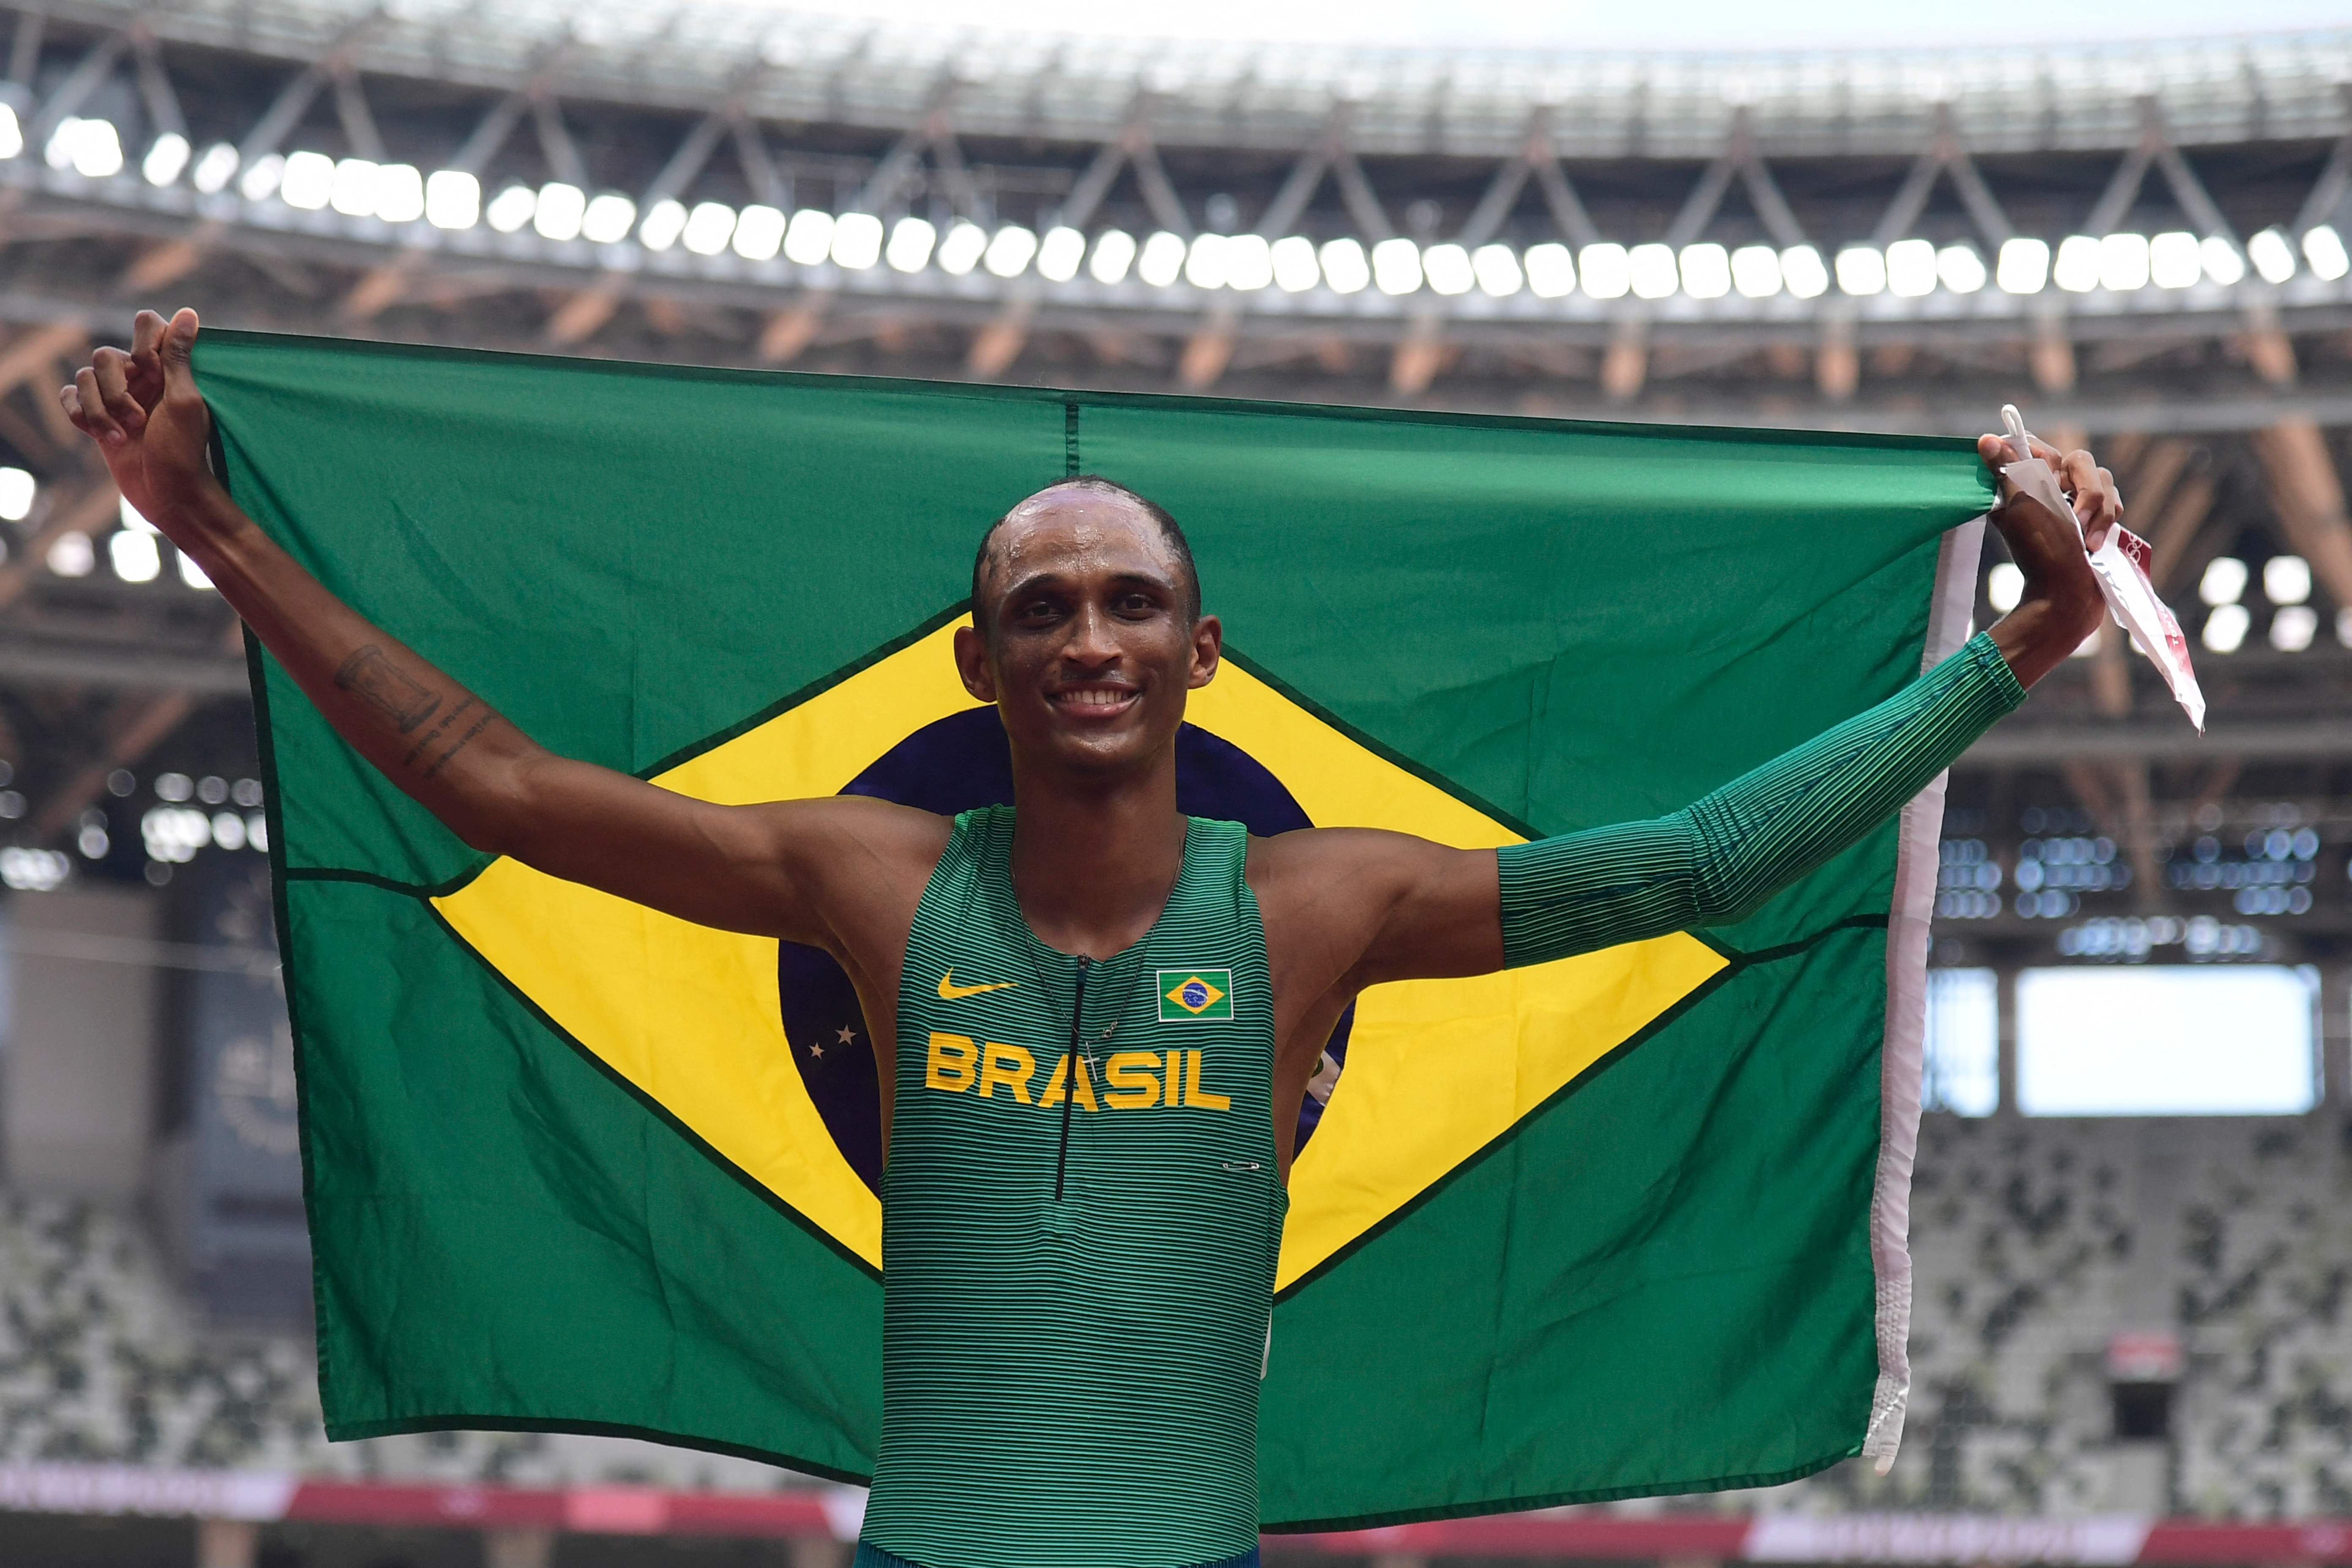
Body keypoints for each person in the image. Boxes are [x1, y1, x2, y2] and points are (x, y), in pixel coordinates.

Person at [63, 308, 2118, 1568]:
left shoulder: (1314, 908)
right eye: (1040, 607)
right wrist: (216, 527)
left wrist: (2021, 643)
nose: (1089, 635)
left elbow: (1691, 865)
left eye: (1132, 600)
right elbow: (500, 786)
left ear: (1204, 651)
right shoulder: (876, 882)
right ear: (979, 661)